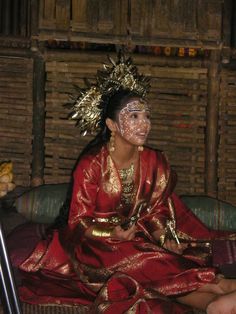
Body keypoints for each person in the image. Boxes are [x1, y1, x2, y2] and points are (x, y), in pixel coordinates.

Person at [16, 52, 236, 313]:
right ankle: (223, 286)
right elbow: (78, 222)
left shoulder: (155, 161)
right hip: (94, 247)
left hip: (136, 237)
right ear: (111, 124)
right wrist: (111, 234)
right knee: (147, 261)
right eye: (134, 117)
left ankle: (214, 305)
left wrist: (164, 238)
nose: (144, 124)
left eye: (147, 116)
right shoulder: (91, 165)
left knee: (161, 259)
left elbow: (156, 210)